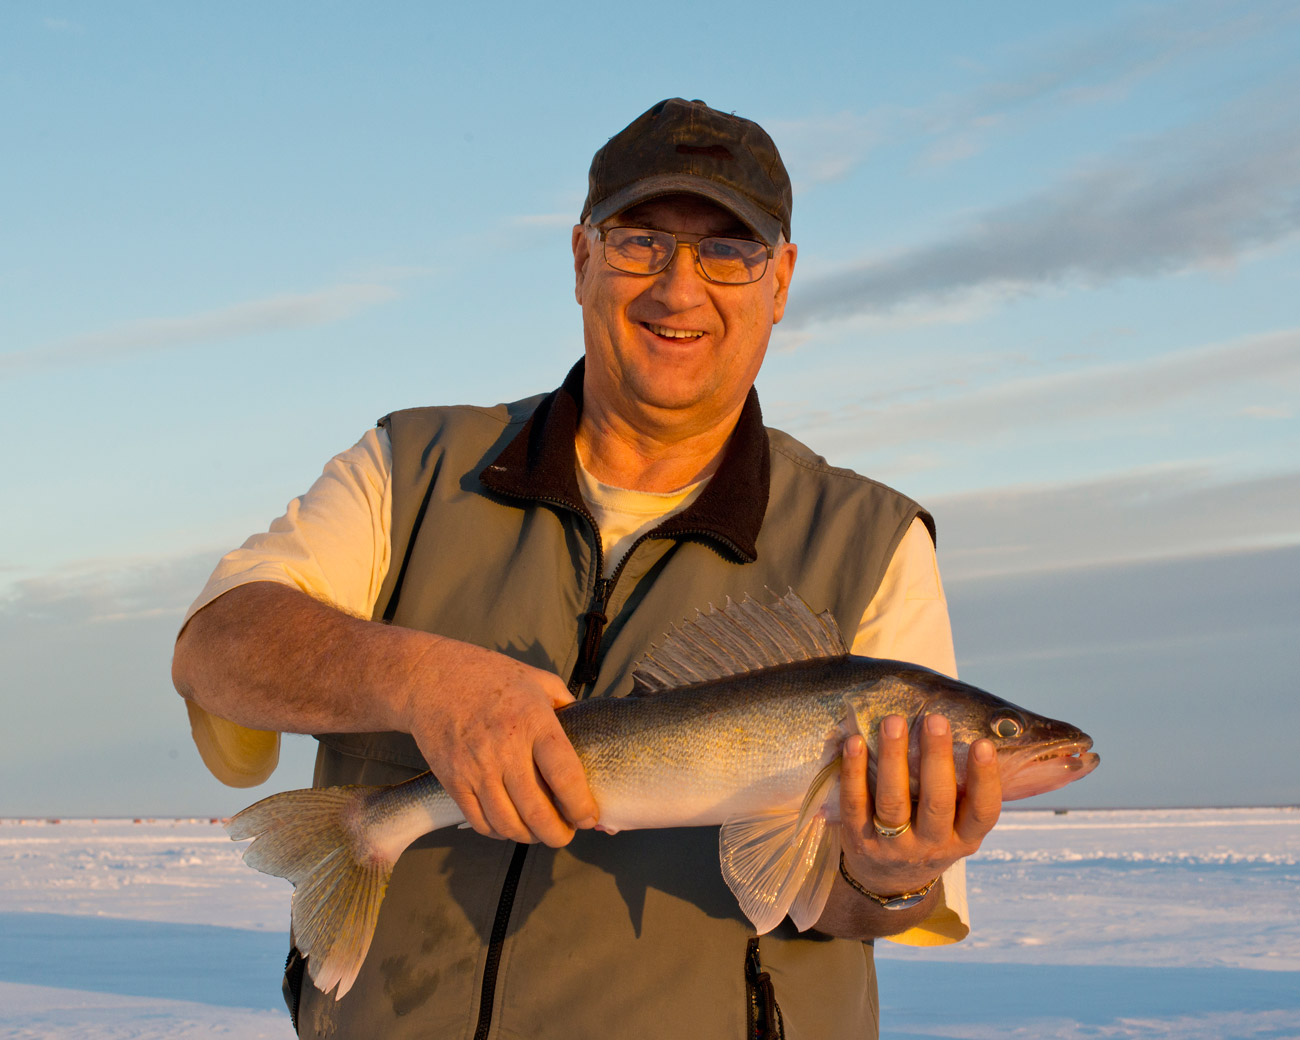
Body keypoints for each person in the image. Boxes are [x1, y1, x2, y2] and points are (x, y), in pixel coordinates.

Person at [172, 98, 1001, 1040]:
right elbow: (216, 647)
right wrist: (420, 681)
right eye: (641, 243)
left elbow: (853, 911)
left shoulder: (872, 540)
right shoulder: (413, 467)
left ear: (780, 281)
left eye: (729, 252)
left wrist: (890, 877)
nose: (679, 290)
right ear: (580, 259)